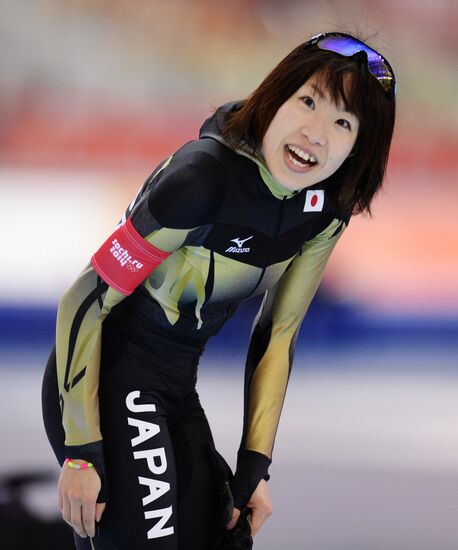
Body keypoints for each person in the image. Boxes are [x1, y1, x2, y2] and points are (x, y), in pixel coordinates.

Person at [42, 32, 396, 550]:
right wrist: (82, 450)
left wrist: (256, 466)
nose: (315, 134)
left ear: (359, 145)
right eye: (308, 101)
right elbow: (84, 300)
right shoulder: (202, 178)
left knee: (225, 538)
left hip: (175, 388)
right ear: (274, 97)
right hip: (102, 376)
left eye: (343, 122)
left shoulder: (326, 208)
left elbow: (279, 333)